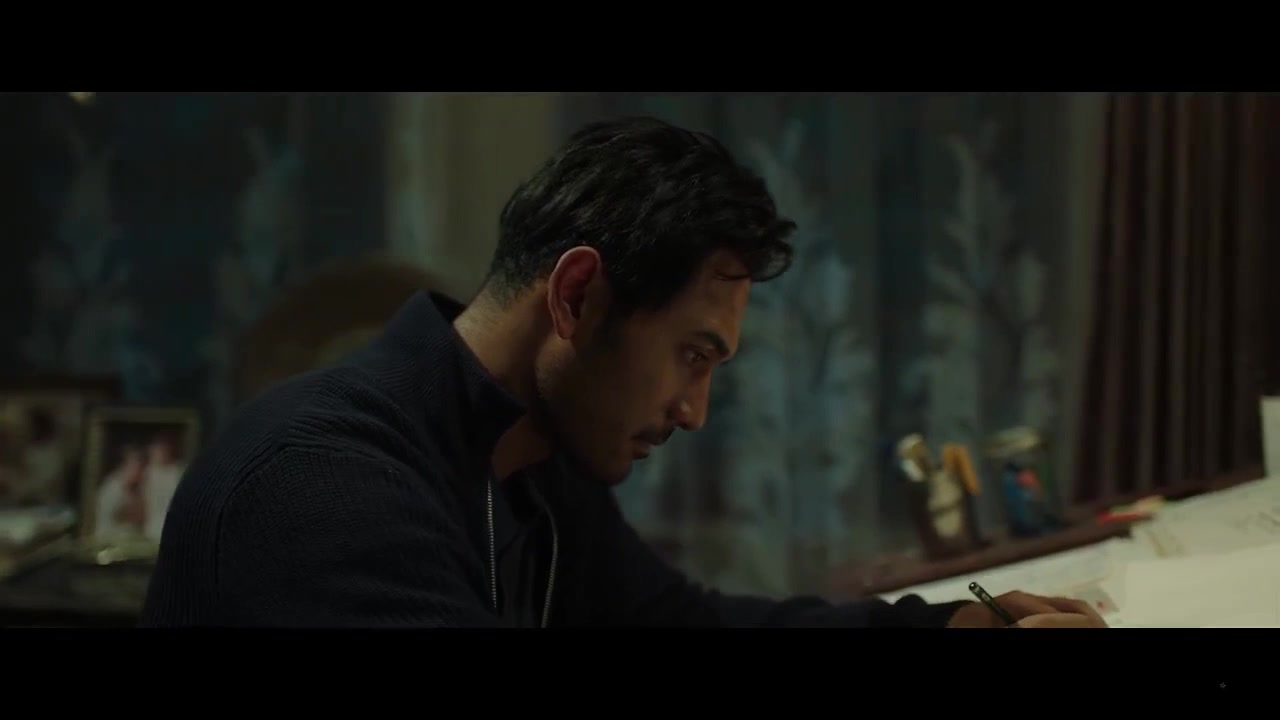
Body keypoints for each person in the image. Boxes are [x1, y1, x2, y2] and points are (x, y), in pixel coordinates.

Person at [141, 117, 1107, 628]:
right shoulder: (322, 488)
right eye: (692, 355)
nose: (694, 411)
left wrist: (957, 630)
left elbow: (684, 625)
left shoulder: (528, 460)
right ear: (576, 298)